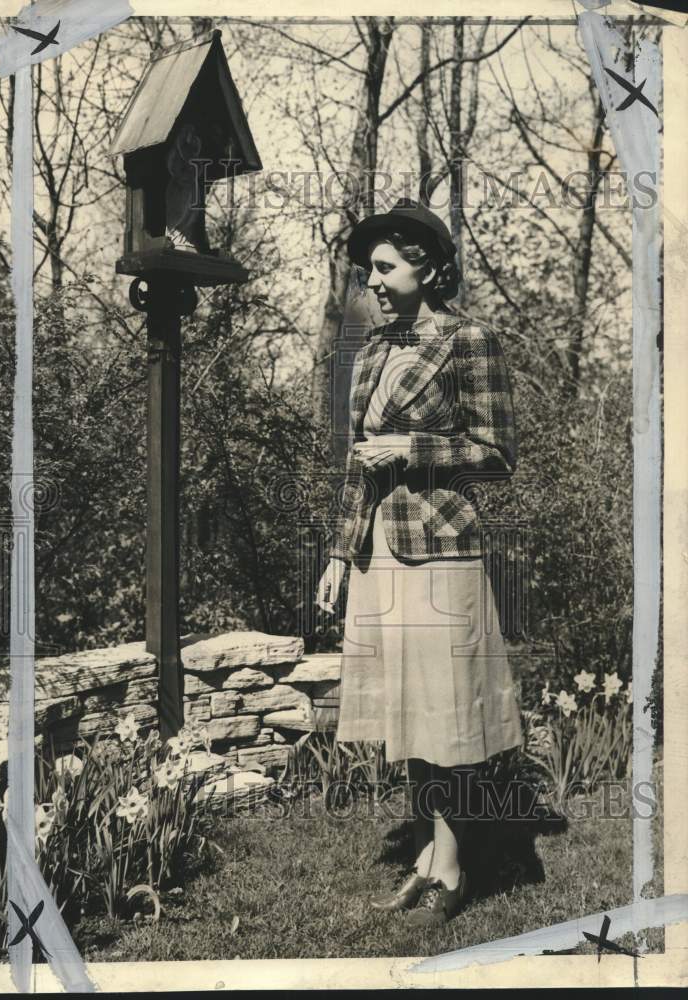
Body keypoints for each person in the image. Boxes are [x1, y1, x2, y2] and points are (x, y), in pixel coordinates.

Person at [316, 197, 523, 928]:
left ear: (428, 270)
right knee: (409, 714)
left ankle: (454, 867)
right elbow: (357, 464)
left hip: (443, 551)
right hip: (380, 554)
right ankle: (427, 859)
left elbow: (498, 456)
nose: (371, 281)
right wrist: (340, 553)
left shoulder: (471, 341)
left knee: (448, 717)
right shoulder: (373, 349)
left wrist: (414, 447)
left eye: (384, 267)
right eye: (368, 270)